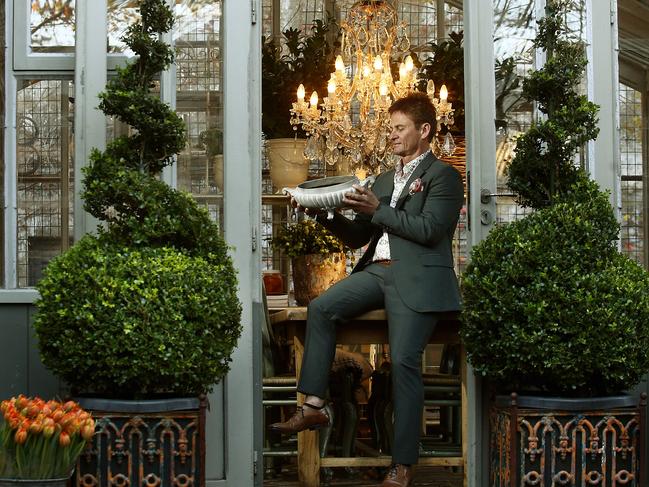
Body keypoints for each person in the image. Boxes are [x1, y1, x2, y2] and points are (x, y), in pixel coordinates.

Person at [270, 92, 464, 487]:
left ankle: (403, 464)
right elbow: (359, 236)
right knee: (321, 309)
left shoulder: (444, 176)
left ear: (424, 131)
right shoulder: (386, 179)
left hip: (418, 278)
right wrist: (323, 214)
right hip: (377, 272)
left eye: (399, 128)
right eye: (390, 129)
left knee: (406, 364)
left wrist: (378, 208)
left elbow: (430, 231)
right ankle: (314, 405)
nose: (391, 136)